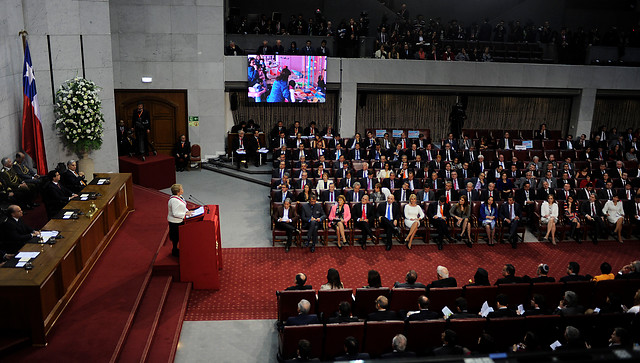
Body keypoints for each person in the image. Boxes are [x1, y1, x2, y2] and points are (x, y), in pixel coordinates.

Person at [167, 184, 192, 257]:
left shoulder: (179, 197)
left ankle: (178, 249)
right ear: (178, 192)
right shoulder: (174, 201)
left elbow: (183, 207)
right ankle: (174, 251)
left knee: (179, 236)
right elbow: (175, 213)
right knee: (176, 237)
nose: (182, 190)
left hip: (179, 220)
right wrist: (185, 214)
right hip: (175, 222)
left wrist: (187, 211)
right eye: (181, 189)